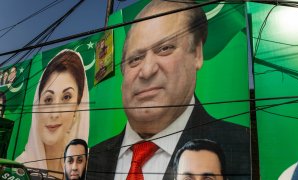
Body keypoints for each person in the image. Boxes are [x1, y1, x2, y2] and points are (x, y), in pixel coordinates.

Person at [87, 1, 250, 179]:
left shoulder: (240, 147)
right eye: (135, 59)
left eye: (165, 49)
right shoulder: (93, 157)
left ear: (196, 54)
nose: (147, 71)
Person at [15, 50, 89, 179]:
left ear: (77, 110)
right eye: (48, 99)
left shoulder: (88, 168)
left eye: (66, 97)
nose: (54, 114)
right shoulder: (18, 170)